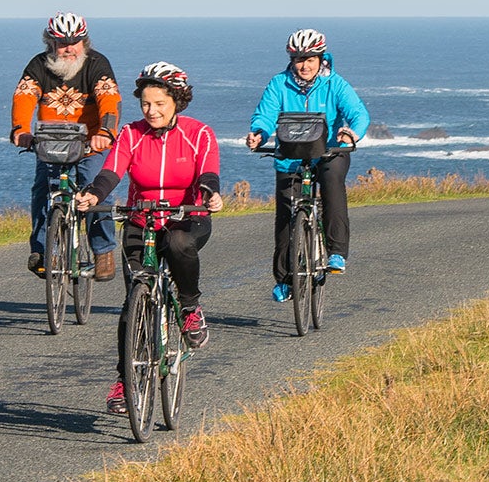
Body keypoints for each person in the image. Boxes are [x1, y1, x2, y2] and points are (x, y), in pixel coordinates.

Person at [76, 61, 225, 408]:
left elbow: (208, 172)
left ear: (177, 101)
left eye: (159, 103)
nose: (151, 110)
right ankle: (125, 381)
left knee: (179, 243)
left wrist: (209, 194)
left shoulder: (199, 133)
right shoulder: (131, 134)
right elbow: (111, 171)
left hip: (185, 218)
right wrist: (94, 195)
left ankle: (190, 307)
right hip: (140, 220)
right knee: (134, 303)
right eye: (145, 103)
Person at [244, 27, 369, 303]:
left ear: (321, 58)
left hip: (328, 153)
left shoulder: (335, 84)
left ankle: (336, 251)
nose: (304, 65)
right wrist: (258, 134)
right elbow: (264, 115)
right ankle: (285, 280)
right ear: (292, 60)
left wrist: (352, 133)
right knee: (286, 216)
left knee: (332, 181)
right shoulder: (279, 84)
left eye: (310, 59)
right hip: (289, 155)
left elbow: (358, 113)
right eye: (299, 59)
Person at [10, 13, 123, 281]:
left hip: (89, 143)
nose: (69, 48)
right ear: (50, 43)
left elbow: (109, 99)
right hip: (50, 143)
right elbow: (24, 96)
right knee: (42, 190)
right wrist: (20, 129)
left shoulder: (97, 64)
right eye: (62, 43)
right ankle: (40, 249)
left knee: (94, 188)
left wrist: (106, 132)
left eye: (76, 42)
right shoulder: (38, 65)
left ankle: (103, 251)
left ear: (85, 41)